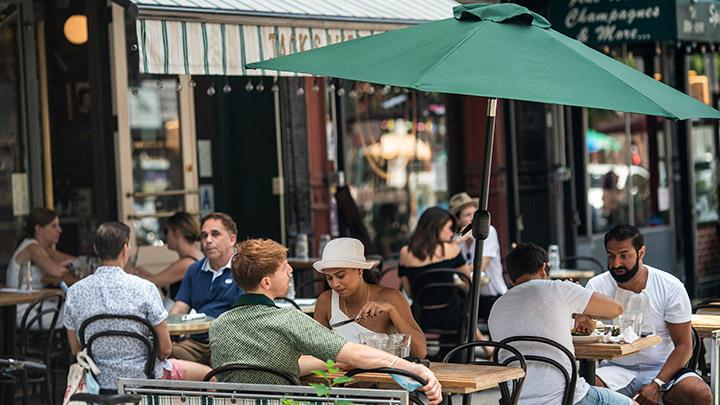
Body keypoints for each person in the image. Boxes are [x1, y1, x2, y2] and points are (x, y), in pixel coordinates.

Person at [209, 238, 443, 404]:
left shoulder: (218, 325)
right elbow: (354, 354)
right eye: (283, 267)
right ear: (267, 282)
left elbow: (270, 367)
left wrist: (332, 363)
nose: (290, 270)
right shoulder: (288, 318)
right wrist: (414, 369)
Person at [63, 222, 211, 390]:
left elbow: (76, 349)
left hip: (97, 382)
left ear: (96, 249)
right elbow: (165, 349)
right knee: (208, 375)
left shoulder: (75, 292)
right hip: (145, 377)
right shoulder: (145, 288)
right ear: (125, 248)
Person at [574, 225, 712, 405]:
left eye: (624, 255)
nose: (616, 264)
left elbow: (684, 346)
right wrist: (580, 317)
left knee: (701, 394)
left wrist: (657, 384)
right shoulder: (596, 286)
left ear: (641, 252)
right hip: (615, 368)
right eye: (611, 256)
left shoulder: (670, 286)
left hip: (663, 370)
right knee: (580, 395)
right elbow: (584, 328)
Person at [489, 243, 632, 405]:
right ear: (544, 268)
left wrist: (576, 312)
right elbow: (615, 309)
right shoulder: (557, 288)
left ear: (510, 277)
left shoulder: (497, 306)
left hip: (515, 401)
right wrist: (581, 308)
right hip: (568, 398)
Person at [313, 238, 427, 358]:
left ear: (359, 270)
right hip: (339, 375)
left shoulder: (391, 298)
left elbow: (420, 352)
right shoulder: (326, 301)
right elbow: (316, 351)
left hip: (383, 375)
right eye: (329, 278)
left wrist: (393, 311)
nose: (335, 284)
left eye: (340, 275)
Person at [169, 212, 242, 365]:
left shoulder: (243, 269)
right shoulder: (194, 269)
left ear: (232, 239)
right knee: (164, 354)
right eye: (204, 236)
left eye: (215, 234)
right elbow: (179, 309)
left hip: (230, 342)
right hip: (196, 342)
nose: (208, 240)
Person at [398, 207, 471, 343]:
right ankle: (453, 357)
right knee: (463, 305)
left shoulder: (405, 252)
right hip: (451, 317)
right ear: (436, 227)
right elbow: (468, 281)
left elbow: (409, 292)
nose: (451, 233)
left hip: (420, 318)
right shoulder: (452, 249)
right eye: (449, 228)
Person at [7, 208, 76, 325]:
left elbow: (75, 261)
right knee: (77, 311)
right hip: (25, 311)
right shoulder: (32, 248)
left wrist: (70, 264)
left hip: (34, 304)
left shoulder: (42, 248)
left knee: (74, 307)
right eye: (54, 226)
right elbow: (56, 272)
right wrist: (66, 266)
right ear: (38, 229)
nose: (60, 230)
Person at [449, 192, 508, 321]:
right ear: (458, 220)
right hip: (467, 296)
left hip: (492, 295)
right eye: (467, 215)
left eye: (474, 214)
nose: (472, 219)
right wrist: (461, 239)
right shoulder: (455, 239)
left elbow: (481, 266)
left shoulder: (488, 232)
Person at [133, 211, 203, 301]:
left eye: (166, 231)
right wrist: (144, 273)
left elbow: (155, 282)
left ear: (177, 233)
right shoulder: (196, 256)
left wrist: (132, 274)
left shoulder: (187, 263)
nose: (166, 236)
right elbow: (163, 280)